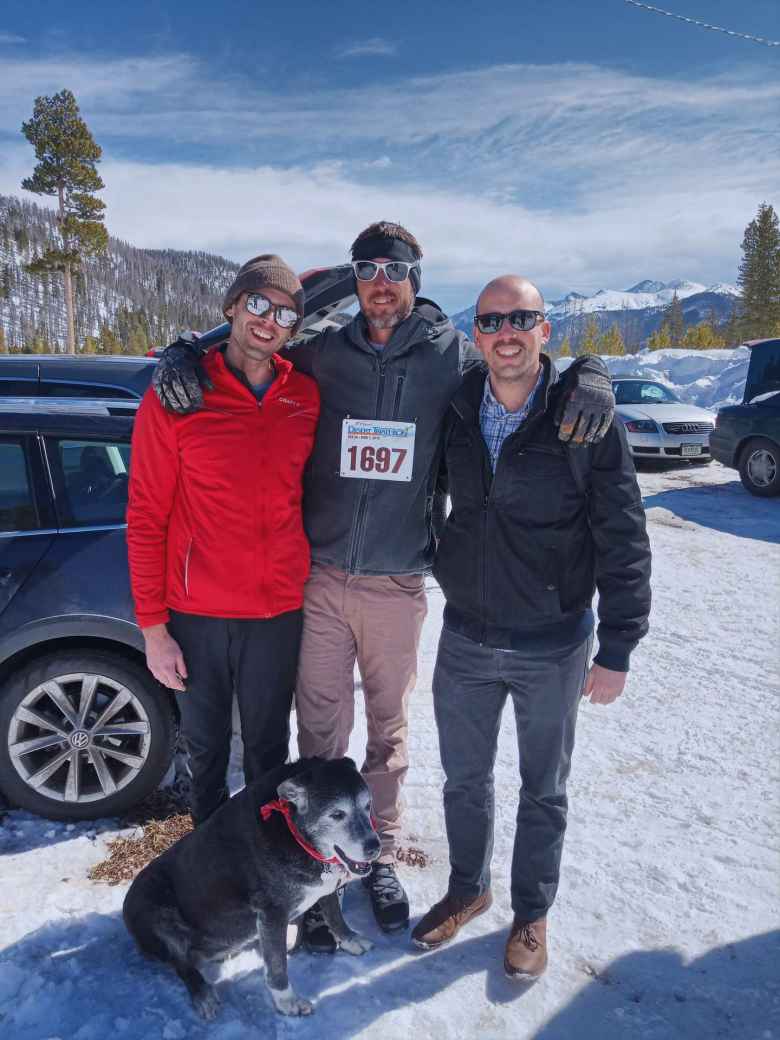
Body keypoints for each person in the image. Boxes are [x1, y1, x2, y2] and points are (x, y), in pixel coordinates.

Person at [152, 225, 616, 945]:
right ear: (357, 278)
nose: (381, 280)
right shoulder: (321, 355)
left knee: (389, 731)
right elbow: (249, 346)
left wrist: (591, 372)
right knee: (320, 730)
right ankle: (310, 865)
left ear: (415, 279)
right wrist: (186, 350)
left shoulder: (451, 359)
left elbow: (519, 364)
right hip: (321, 577)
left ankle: (381, 854)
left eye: (395, 269)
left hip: (398, 581)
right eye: (367, 267)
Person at [412, 275, 651, 980]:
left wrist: (619, 647)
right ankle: (467, 886)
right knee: (464, 779)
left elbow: (623, 534)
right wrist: (440, 555)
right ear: (476, 333)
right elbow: (428, 494)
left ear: (545, 330)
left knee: (544, 788)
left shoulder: (582, 415)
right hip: (466, 636)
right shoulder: (458, 406)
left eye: (522, 319)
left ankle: (531, 912)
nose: (506, 332)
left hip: (553, 642)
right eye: (491, 321)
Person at [127, 255, 320, 826]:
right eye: (257, 303)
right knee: (207, 751)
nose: (269, 319)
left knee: (267, 751)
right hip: (197, 612)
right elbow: (144, 515)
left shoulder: (305, 396)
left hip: (277, 609)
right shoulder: (180, 394)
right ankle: (208, 866)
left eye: (284, 312)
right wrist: (153, 628)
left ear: (293, 328)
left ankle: (263, 864)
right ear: (233, 307)